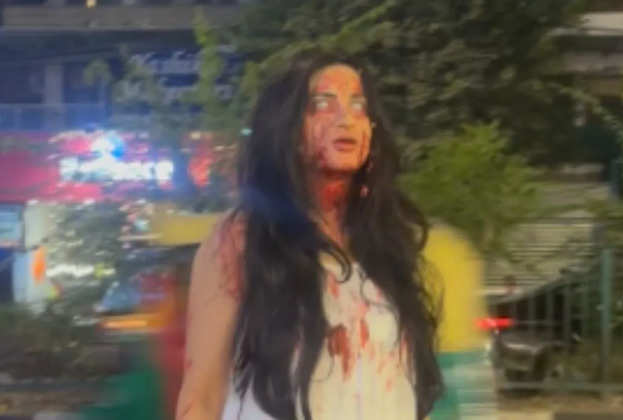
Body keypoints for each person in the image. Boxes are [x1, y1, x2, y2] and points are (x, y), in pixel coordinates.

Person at [176, 52, 445, 420]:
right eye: (322, 104)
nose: (345, 119)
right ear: (287, 129)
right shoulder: (242, 240)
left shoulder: (387, 243)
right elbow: (202, 398)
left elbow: (404, 385)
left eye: (358, 106)